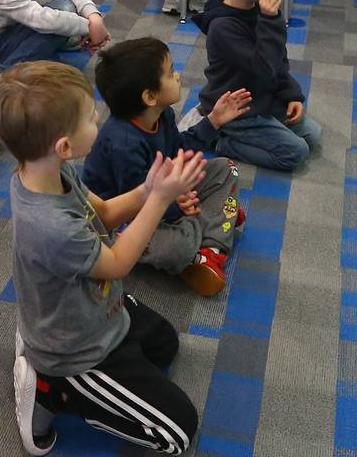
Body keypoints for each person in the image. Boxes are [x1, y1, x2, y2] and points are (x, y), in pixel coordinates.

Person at [0, 61, 204, 455]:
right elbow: (119, 263)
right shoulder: (51, 225)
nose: (99, 121)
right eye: (91, 118)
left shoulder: (49, 171)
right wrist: (159, 200)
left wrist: (147, 190)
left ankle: (44, 344)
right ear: (64, 147)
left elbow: (104, 213)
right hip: (75, 350)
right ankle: (54, 392)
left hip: (95, 310)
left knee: (165, 345)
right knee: (177, 435)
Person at [86, 37, 251, 296]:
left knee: (225, 168)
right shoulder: (123, 144)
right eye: (171, 72)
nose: (178, 75)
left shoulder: (163, 115)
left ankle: (210, 249)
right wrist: (176, 203)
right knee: (179, 247)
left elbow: (179, 151)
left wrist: (213, 121)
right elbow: (136, 205)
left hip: (165, 189)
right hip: (125, 219)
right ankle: (213, 228)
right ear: (150, 96)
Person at [192, 0, 322, 172]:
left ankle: (253, 126)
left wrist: (291, 93)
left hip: (263, 96)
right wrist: (270, 20)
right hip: (238, 110)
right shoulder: (223, 28)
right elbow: (265, 67)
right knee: (296, 153)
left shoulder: (256, 8)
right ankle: (220, 140)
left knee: (313, 136)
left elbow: (278, 58)